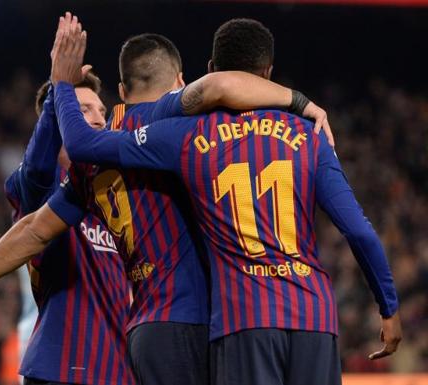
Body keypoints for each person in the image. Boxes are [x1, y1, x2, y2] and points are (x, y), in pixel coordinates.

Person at [0, 13, 331, 385]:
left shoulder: (99, 158)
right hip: (196, 323)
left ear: (121, 91)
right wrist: (303, 104)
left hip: (143, 331)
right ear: (179, 82)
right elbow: (223, 84)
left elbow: (34, 229)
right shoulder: (177, 126)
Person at [51, 18, 402, 385]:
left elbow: (82, 146)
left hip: (242, 320)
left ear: (208, 71)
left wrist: (62, 84)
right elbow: (359, 231)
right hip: (313, 315)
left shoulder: (186, 136)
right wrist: (389, 308)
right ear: (267, 71)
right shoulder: (309, 136)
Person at [3, 67, 135, 385]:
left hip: (119, 367)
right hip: (64, 368)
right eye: (83, 109)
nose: (99, 118)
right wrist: (59, 86)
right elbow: (37, 166)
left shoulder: (113, 199)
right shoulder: (42, 190)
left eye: (102, 111)